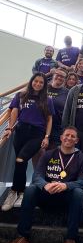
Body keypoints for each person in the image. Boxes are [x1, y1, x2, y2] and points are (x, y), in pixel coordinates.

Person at [7, 127, 83, 243]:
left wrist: (66, 186)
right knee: (30, 190)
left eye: (73, 136)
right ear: (61, 138)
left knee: (78, 193)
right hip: (47, 195)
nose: (69, 138)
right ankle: (22, 236)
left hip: (65, 198)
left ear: (76, 140)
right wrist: (45, 185)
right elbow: (37, 175)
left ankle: (71, 238)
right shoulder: (48, 154)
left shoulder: (82, 158)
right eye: (67, 135)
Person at [1, 73, 54, 211]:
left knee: (20, 159)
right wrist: (9, 128)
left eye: (41, 82)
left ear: (44, 85)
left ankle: (15, 190)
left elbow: (49, 119)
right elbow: (14, 112)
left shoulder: (47, 100)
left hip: (37, 134)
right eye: (35, 81)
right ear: (31, 82)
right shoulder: (20, 95)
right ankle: (19, 193)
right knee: (21, 163)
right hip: (20, 131)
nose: (37, 84)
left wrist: (46, 136)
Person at [47, 68, 69, 149]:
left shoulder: (68, 92)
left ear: (65, 79)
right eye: (57, 75)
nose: (59, 78)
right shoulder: (44, 88)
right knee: (39, 152)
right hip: (41, 124)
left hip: (57, 128)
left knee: (52, 153)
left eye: (62, 76)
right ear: (53, 75)